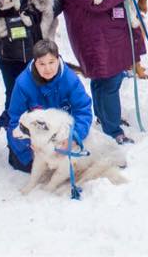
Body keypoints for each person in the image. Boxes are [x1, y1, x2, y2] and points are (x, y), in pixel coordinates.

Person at [57, 0, 144, 144]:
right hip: (95, 36)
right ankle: (113, 130)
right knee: (110, 80)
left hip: (108, 31)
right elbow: (97, 3)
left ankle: (104, 117)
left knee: (101, 79)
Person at [5, 39, 93, 172]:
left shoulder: (70, 79)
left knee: (77, 166)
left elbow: (83, 109)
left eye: (51, 62)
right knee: (34, 168)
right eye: (42, 64)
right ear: (35, 63)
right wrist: (29, 145)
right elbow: (15, 118)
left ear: (58, 59)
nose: (48, 68)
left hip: (61, 134)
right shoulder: (23, 84)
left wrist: (74, 137)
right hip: (34, 139)